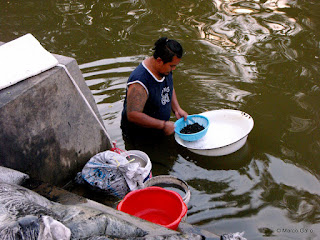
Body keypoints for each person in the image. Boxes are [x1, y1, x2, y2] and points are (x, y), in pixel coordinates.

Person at [121, 37, 188, 140]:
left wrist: (177, 109)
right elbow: (133, 115)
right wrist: (163, 125)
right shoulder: (140, 81)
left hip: (160, 130)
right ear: (159, 61)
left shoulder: (165, 69)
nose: (174, 69)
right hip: (141, 136)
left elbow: (169, 87)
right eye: (172, 66)